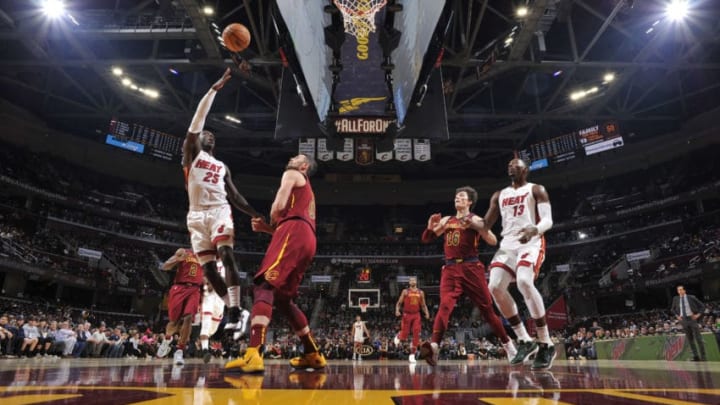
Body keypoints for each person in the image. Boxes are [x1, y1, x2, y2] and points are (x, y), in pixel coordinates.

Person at [225, 154, 325, 373]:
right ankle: (312, 354)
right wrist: (266, 229)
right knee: (283, 300)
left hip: (294, 231)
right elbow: (289, 225)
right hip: (306, 237)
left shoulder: (293, 174)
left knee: (264, 286)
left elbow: (278, 206)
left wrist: (272, 217)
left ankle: (253, 353)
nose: (291, 158)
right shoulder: (305, 192)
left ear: (304, 166)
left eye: (296, 157)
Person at [183, 68, 262, 339]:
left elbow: (236, 196)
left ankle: (236, 307)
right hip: (195, 216)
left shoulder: (221, 165)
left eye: (213, 136)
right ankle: (235, 311)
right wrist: (213, 90)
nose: (210, 135)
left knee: (226, 255)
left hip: (219, 212)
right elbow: (196, 122)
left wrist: (255, 213)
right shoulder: (191, 157)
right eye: (206, 134)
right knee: (207, 270)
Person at [418, 186, 517, 366]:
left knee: (487, 309)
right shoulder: (448, 220)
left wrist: (478, 227)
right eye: (456, 196)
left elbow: (493, 241)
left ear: (469, 201)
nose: (457, 198)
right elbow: (426, 239)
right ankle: (434, 346)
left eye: (462, 196)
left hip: (471, 267)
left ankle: (509, 345)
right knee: (445, 306)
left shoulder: (476, 219)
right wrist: (429, 226)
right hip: (450, 269)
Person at [483, 158, 556, 370]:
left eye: (515, 165)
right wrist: (467, 220)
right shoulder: (500, 195)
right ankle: (524, 339)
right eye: (509, 165)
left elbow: (548, 220)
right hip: (507, 245)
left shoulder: (537, 190)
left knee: (524, 281)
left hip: (531, 241)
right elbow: (487, 223)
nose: (511, 167)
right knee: (494, 287)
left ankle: (545, 342)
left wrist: (535, 229)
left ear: (525, 170)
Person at [157, 248, 204, 365]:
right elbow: (165, 267)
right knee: (174, 322)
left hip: (195, 289)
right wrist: (177, 259)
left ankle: (179, 350)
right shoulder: (184, 251)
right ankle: (167, 340)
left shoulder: (206, 257)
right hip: (179, 288)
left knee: (188, 318)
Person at [393, 276, 430, 363]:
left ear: (416, 282)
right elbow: (399, 303)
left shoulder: (421, 292)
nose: (413, 281)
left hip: (416, 315)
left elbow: (423, 305)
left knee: (416, 334)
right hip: (407, 314)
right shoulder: (405, 291)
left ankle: (412, 355)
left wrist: (427, 313)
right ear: (409, 282)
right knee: (405, 335)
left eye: (414, 280)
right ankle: (399, 336)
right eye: (411, 280)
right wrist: (397, 310)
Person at [199, 260, 229, 364]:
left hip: (220, 298)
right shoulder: (207, 262)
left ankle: (205, 346)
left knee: (211, 330)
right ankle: (205, 350)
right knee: (206, 327)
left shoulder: (225, 264)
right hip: (209, 297)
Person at [671, 284, 707, 361]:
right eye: (678, 290)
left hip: (692, 319)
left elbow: (702, 306)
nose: (679, 291)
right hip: (683, 320)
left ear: (684, 290)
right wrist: (677, 316)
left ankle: (703, 357)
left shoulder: (691, 297)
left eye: (681, 289)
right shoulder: (676, 299)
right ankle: (696, 356)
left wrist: (698, 315)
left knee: (698, 338)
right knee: (690, 340)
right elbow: (672, 309)